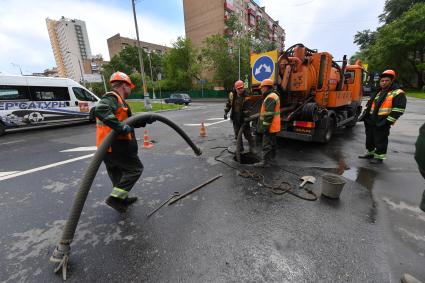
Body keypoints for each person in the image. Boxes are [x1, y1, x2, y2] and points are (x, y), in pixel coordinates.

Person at [94, 71, 143, 213]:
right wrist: (121, 127)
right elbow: (100, 109)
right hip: (115, 147)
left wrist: (146, 119)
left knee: (118, 175)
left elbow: (127, 121)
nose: (130, 90)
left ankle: (121, 199)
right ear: (124, 85)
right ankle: (115, 199)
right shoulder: (111, 99)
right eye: (130, 87)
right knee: (135, 169)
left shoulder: (119, 101)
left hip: (108, 148)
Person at [358, 69, 406, 164]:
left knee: (380, 139)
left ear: (391, 81)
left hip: (382, 120)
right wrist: (365, 116)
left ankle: (379, 157)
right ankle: (370, 153)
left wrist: (387, 122)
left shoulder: (398, 93)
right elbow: (370, 105)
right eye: (382, 81)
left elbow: (398, 110)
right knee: (370, 138)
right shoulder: (378, 91)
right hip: (371, 119)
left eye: (386, 80)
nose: (384, 82)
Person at [224, 80, 255, 153]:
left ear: (243, 87)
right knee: (237, 135)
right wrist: (226, 112)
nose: (240, 90)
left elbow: (249, 108)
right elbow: (228, 104)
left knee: (247, 135)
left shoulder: (247, 95)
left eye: (241, 88)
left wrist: (246, 116)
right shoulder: (232, 95)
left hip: (244, 118)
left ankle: (252, 147)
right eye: (238, 88)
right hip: (235, 118)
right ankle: (240, 148)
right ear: (235, 88)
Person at [257, 79, 281, 165]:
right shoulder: (273, 95)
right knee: (272, 143)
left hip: (270, 126)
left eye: (262, 87)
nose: (261, 89)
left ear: (267, 87)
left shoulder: (270, 97)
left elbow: (268, 114)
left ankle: (265, 162)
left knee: (266, 144)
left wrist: (264, 127)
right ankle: (272, 158)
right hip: (274, 125)